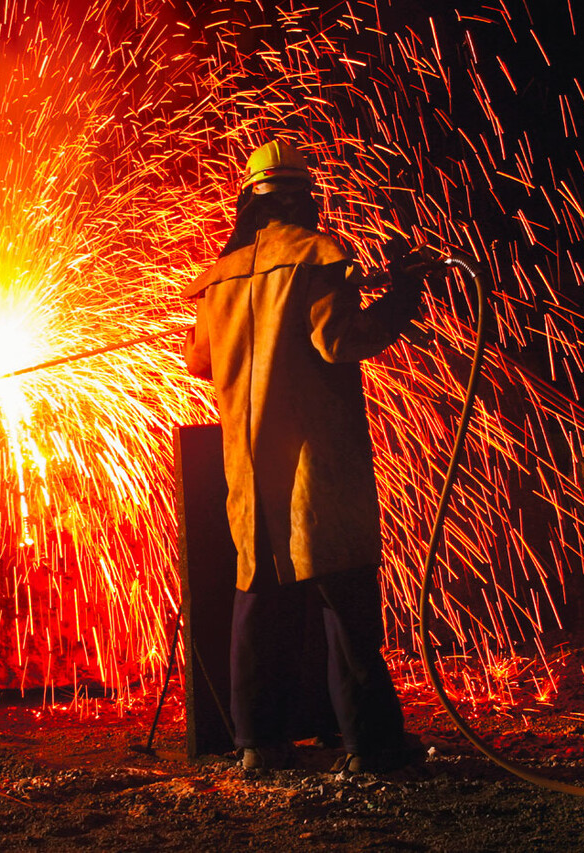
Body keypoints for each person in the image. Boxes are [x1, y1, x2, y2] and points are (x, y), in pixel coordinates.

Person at [182, 140, 429, 773]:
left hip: (248, 472)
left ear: (249, 201)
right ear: (304, 198)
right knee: (347, 611)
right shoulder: (319, 255)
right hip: (315, 470)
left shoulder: (219, 275)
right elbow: (340, 340)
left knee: (257, 604)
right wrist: (401, 298)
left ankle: (256, 744)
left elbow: (198, 361)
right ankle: (370, 747)